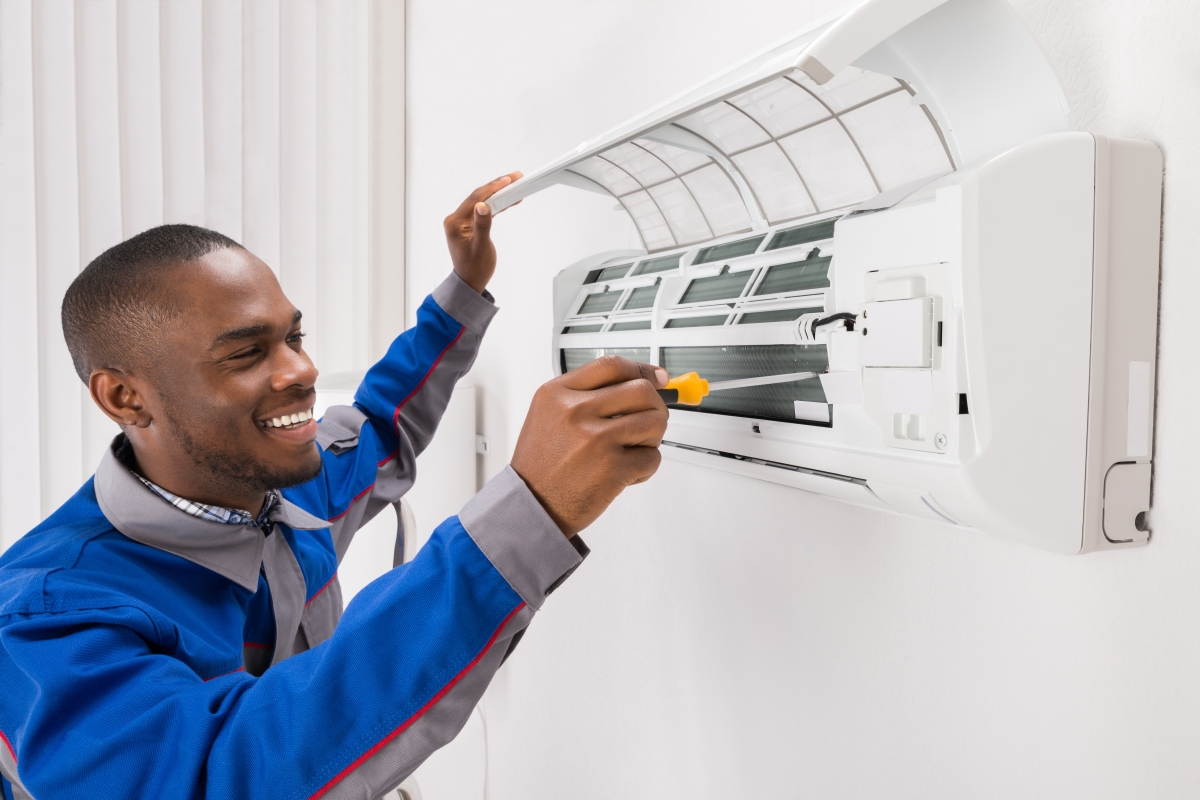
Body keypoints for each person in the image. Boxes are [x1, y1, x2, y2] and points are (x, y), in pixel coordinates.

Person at [0, 174, 669, 800]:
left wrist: (463, 289)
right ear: (125, 397)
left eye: (294, 335)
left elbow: (380, 427)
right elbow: (220, 775)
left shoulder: (280, 489)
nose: (302, 369)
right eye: (247, 352)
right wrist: (530, 508)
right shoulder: (48, 616)